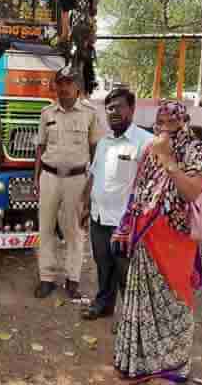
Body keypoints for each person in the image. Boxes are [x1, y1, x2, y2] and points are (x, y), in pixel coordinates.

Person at [112, 100, 202, 383]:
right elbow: (138, 190)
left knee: (175, 300)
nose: (164, 128)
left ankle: (173, 365)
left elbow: (191, 194)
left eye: (171, 123)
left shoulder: (197, 150)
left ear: (184, 122)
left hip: (176, 243)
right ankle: (139, 363)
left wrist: (169, 160)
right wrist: (124, 225)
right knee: (140, 300)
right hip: (144, 237)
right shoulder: (149, 149)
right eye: (160, 122)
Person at [81, 88, 152, 320]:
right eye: (109, 108)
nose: (113, 112)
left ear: (132, 109)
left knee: (126, 272)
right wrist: (85, 207)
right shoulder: (104, 143)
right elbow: (93, 175)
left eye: (118, 107)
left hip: (125, 223)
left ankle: (130, 317)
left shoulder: (145, 142)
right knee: (103, 265)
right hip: (99, 216)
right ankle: (104, 304)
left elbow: (151, 185)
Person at [34, 65, 103, 299]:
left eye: (69, 84)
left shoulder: (90, 114)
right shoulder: (47, 113)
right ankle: (46, 278)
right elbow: (40, 147)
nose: (63, 88)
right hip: (49, 177)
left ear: (78, 87)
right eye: (60, 83)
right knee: (45, 229)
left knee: (75, 230)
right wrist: (37, 177)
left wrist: (93, 185)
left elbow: (96, 151)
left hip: (77, 179)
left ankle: (73, 279)